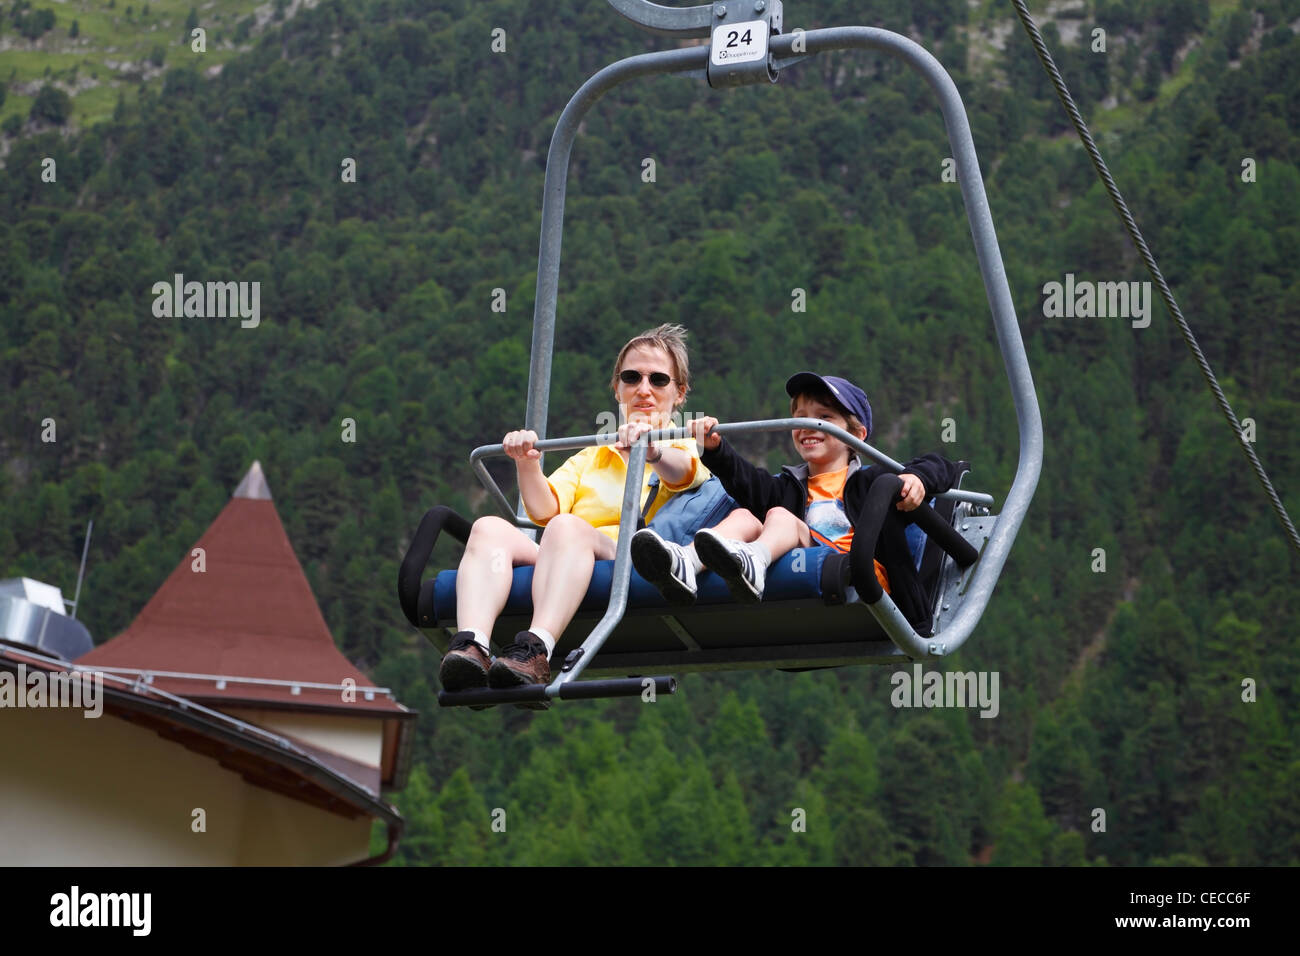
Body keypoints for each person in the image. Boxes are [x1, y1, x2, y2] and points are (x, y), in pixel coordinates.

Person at [438, 324, 707, 705]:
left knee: (568, 528)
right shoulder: (592, 456)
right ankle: (472, 645)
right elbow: (545, 509)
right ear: (617, 388)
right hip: (569, 549)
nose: (643, 389)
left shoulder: (683, 443)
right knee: (488, 529)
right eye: (632, 377)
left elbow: (685, 473)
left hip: (634, 554)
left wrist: (653, 452)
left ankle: (536, 649)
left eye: (658, 379)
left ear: (679, 393)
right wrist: (527, 463)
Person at [629, 372, 962, 636]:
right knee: (746, 513)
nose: (807, 426)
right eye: (800, 418)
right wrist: (715, 449)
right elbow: (746, 482)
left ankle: (754, 561)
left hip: (860, 575)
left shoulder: (872, 483)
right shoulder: (789, 487)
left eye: (823, 417)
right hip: (803, 559)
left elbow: (938, 464)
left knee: (779, 516)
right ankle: (687, 561)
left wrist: (916, 480)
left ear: (856, 433)